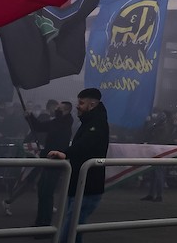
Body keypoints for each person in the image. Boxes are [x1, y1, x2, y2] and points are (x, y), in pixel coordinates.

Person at [50, 89, 109, 243]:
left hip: (87, 187)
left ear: (92, 104)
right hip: (80, 185)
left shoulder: (97, 123)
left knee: (68, 233)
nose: (78, 106)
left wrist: (65, 153)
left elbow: (86, 144)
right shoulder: (92, 121)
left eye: (81, 103)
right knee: (73, 233)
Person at [5, 100, 73, 222]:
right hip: (46, 159)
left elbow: (51, 133)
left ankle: (44, 222)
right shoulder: (56, 122)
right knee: (42, 190)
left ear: (66, 110)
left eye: (59, 108)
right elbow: (39, 127)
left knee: (46, 192)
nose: (56, 109)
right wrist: (30, 117)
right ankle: (41, 221)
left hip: (54, 161)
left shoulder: (64, 124)